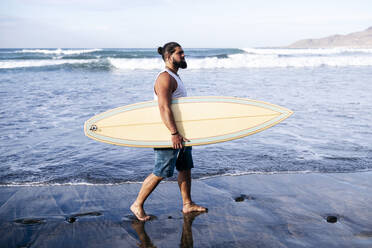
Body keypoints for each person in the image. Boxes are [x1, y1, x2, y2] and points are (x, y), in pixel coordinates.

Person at [130, 42, 207, 221]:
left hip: (182, 133)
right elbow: (164, 108)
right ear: (168, 56)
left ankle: (187, 204)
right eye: (180, 53)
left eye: (183, 52)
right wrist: (173, 133)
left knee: (185, 167)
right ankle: (137, 204)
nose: (184, 55)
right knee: (161, 170)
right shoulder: (164, 77)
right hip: (169, 133)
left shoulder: (174, 76)